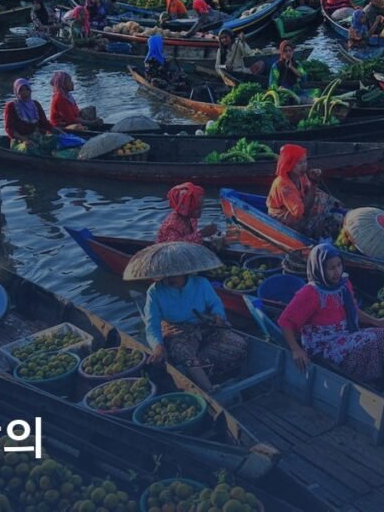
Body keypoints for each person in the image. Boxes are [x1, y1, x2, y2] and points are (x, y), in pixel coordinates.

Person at [278, 244, 384, 382]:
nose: (337, 272)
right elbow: (285, 321)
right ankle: (361, 378)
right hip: (322, 347)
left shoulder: (343, 285)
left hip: (343, 336)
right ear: (320, 269)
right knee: (369, 341)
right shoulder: (310, 293)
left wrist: (376, 321)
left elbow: (353, 310)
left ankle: (375, 374)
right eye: (331, 268)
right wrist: (296, 349)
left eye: (339, 265)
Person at [142, 255, 247, 391]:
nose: (168, 278)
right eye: (164, 274)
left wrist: (218, 316)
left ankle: (195, 368)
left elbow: (215, 303)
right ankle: (209, 389)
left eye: (173, 274)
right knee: (182, 352)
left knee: (240, 345)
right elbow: (152, 325)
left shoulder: (201, 283)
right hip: (178, 332)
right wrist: (158, 346)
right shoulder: (154, 292)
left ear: (184, 271)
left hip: (205, 326)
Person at [267, 144, 341, 238]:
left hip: (298, 207)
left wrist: (332, 201)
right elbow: (301, 212)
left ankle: (318, 226)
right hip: (283, 216)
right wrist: (314, 183)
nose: (304, 166)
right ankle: (312, 233)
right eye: (299, 163)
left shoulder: (301, 176)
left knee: (324, 199)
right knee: (317, 211)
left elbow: (311, 191)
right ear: (289, 165)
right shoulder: (283, 184)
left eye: (305, 162)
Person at [4, 78, 56, 154]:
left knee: (55, 139)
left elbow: (44, 123)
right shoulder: (11, 106)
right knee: (29, 147)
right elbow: (9, 129)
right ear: (16, 92)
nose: (24, 92)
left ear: (30, 91)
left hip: (36, 138)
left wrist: (58, 131)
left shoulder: (35, 105)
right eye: (21, 90)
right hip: (20, 142)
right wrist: (25, 140)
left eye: (27, 89)